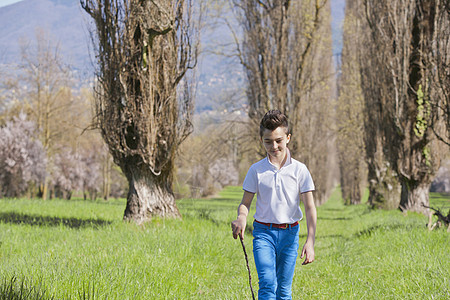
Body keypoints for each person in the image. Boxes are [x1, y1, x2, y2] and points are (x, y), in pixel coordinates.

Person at [231, 110, 317, 300]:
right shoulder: (256, 170)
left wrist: (310, 240)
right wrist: (241, 218)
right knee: (268, 285)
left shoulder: (300, 170)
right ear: (262, 140)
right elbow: (245, 203)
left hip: (290, 234)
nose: (274, 146)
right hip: (263, 233)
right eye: (268, 141)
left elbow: (310, 208)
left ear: (288, 138)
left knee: (284, 291)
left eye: (278, 140)